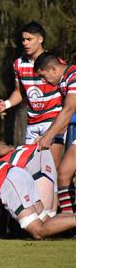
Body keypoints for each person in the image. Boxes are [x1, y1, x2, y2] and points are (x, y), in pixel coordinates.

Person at [0, 21, 65, 167]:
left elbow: (67, 91)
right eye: (23, 40)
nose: (25, 43)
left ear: (40, 39)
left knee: (52, 168)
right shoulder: (18, 64)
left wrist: (63, 120)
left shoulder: (54, 63)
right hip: (32, 123)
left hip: (52, 120)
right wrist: (6, 104)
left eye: (29, 39)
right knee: (31, 168)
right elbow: (19, 91)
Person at [33, 51, 76, 213]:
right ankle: (68, 222)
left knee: (64, 174)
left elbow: (69, 108)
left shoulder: (74, 76)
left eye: (44, 76)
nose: (44, 81)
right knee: (64, 174)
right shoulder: (64, 81)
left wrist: (48, 136)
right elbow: (64, 115)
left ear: (53, 69)